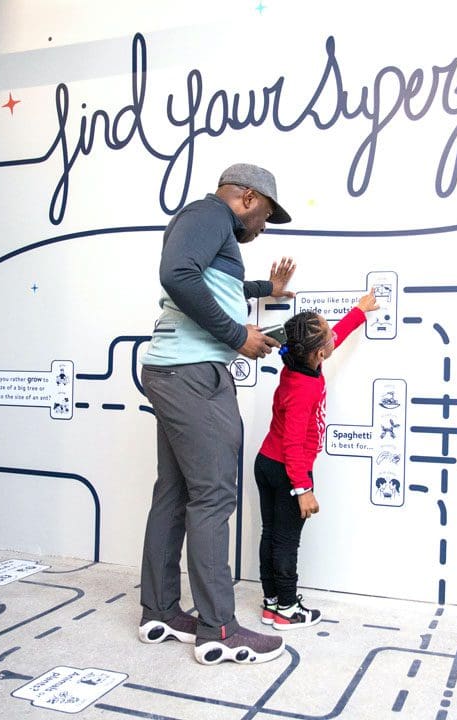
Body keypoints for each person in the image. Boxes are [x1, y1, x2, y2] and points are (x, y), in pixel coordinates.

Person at [138, 163, 296, 666]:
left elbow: (207, 278)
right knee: (212, 497)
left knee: (176, 491)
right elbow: (177, 275)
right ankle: (219, 632)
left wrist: (262, 292)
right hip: (195, 374)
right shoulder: (211, 214)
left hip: (173, 371)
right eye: (266, 215)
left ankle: (160, 611)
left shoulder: (205, 224)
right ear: (247, 198)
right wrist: (236, 336)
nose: (263, 227)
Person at [254, 289, 380, 629]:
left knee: (272, 535)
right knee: (285, 541)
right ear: (319, 354)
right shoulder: (303, 388)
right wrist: (302, 488)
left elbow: (334, 338)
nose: (332, 335)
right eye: (327, 333)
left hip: (268, 462)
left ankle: (271, 602)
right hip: (286, 469)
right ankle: (287, 608)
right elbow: (294, 444)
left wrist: (359, 310)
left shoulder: (299, 365)